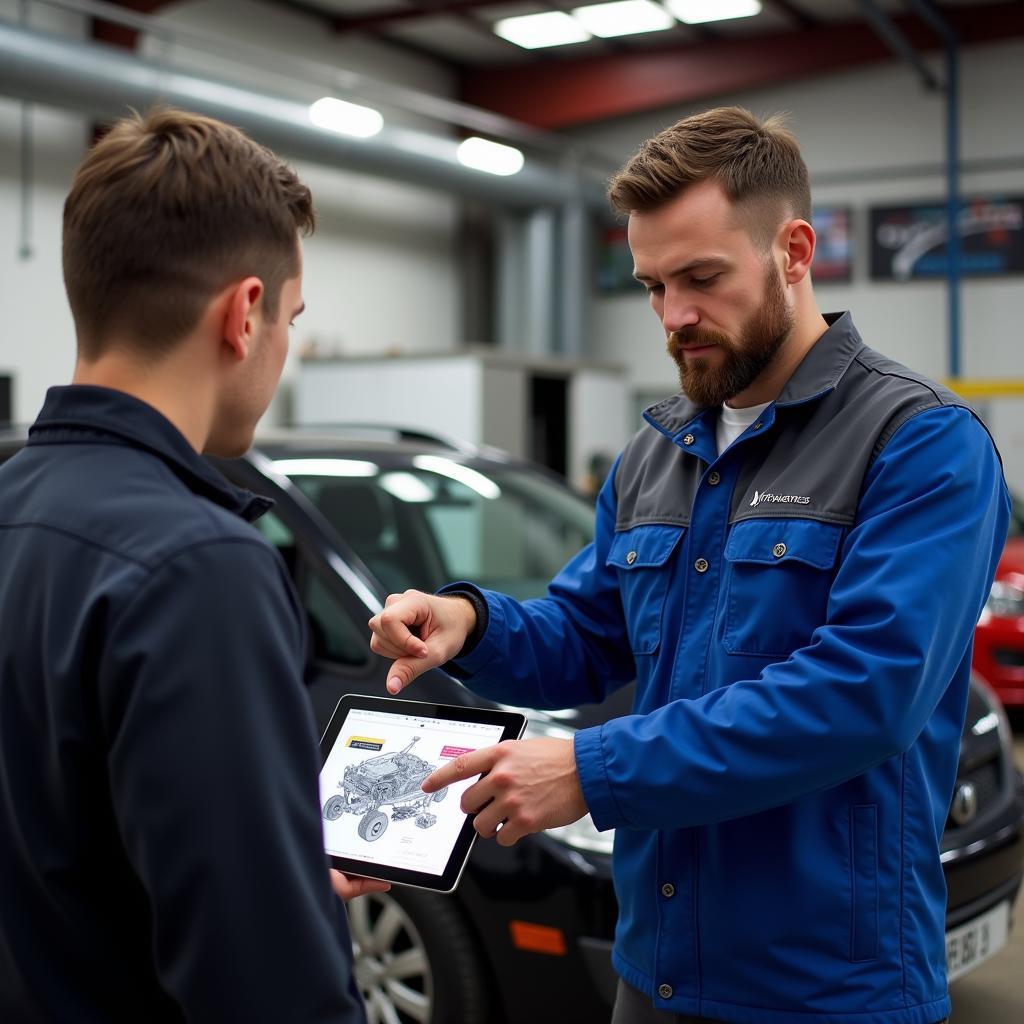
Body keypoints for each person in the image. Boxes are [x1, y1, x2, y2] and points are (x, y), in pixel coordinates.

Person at [368, 107, 1009, 1024]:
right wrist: (471, 621)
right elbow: (590, 633)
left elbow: (863, 691)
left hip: (827, 990)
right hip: (656, 972)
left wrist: (596, 770)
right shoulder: (656, 456)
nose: (674, 317)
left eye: (701, 278)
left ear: (793, 251)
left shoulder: (918, 445)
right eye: (652, 285)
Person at [0, 108, 385, 1022]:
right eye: (291, 319)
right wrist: (267, 903)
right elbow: (264, 988)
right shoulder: (199, 565)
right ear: (244, 314)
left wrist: (268, 863)